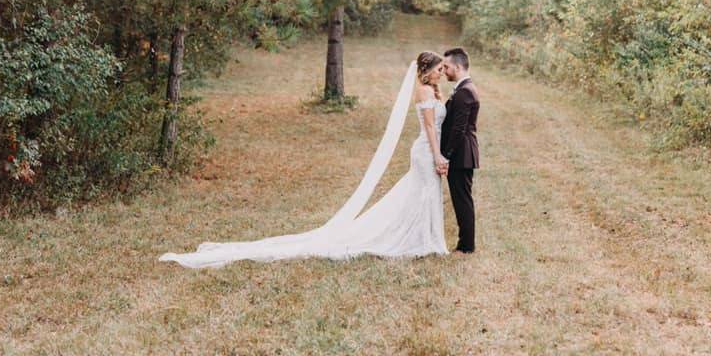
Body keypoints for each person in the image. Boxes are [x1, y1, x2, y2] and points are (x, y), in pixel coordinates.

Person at [158, 51, 450, 269]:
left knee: (423, 194)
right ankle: (421, 240)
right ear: (426, 71)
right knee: (421, 193)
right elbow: (428, 128)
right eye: (438, 69)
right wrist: (438, 155)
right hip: (426, 151)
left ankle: (427, 239)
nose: (441, 73)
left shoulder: (431, 90)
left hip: (429, 150)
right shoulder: (424, 91)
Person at [440, 47, 480, 254]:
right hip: (462, 153)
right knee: (461, 199)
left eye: (446, 67)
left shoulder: (465, 91)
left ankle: (466, 246)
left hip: (461, 154)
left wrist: (446, 155)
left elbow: (459, 128)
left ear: (457, 66)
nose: (444, 70)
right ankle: (465, 243)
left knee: (462, 200)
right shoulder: (464, 88)